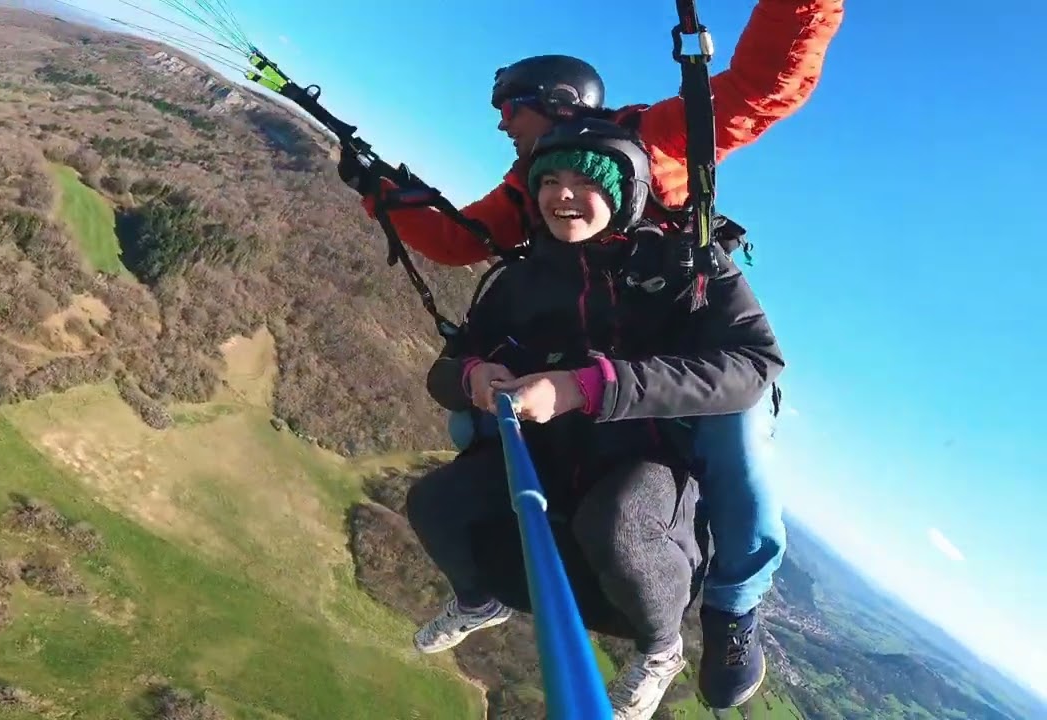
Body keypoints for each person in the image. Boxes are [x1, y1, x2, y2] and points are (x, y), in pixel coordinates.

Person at [340, 1, 844, 708]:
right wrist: (383, 195)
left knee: (739, 439)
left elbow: (762, 88)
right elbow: (461, 240)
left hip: (680, 337)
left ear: (554, 102)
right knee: (471, 427)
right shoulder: (530, 183)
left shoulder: (658, 135)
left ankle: (733, 607)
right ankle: (494, 571)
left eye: (509, 110)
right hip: (586, 344)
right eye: (551, 184)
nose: (502, 126)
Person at [405, 117, 784, 719]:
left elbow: (755, 361)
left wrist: (591, 387)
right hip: (553, 450)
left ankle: (662, 650)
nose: (562, 194)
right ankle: (478, 600)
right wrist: (473, 374)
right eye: (548, 181)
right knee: (433, 503)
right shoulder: (525, 278)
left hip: (650, 453)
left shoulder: (687, 266)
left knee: (618, 523)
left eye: (586, 182)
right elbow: (448, 368)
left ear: (625, 192)